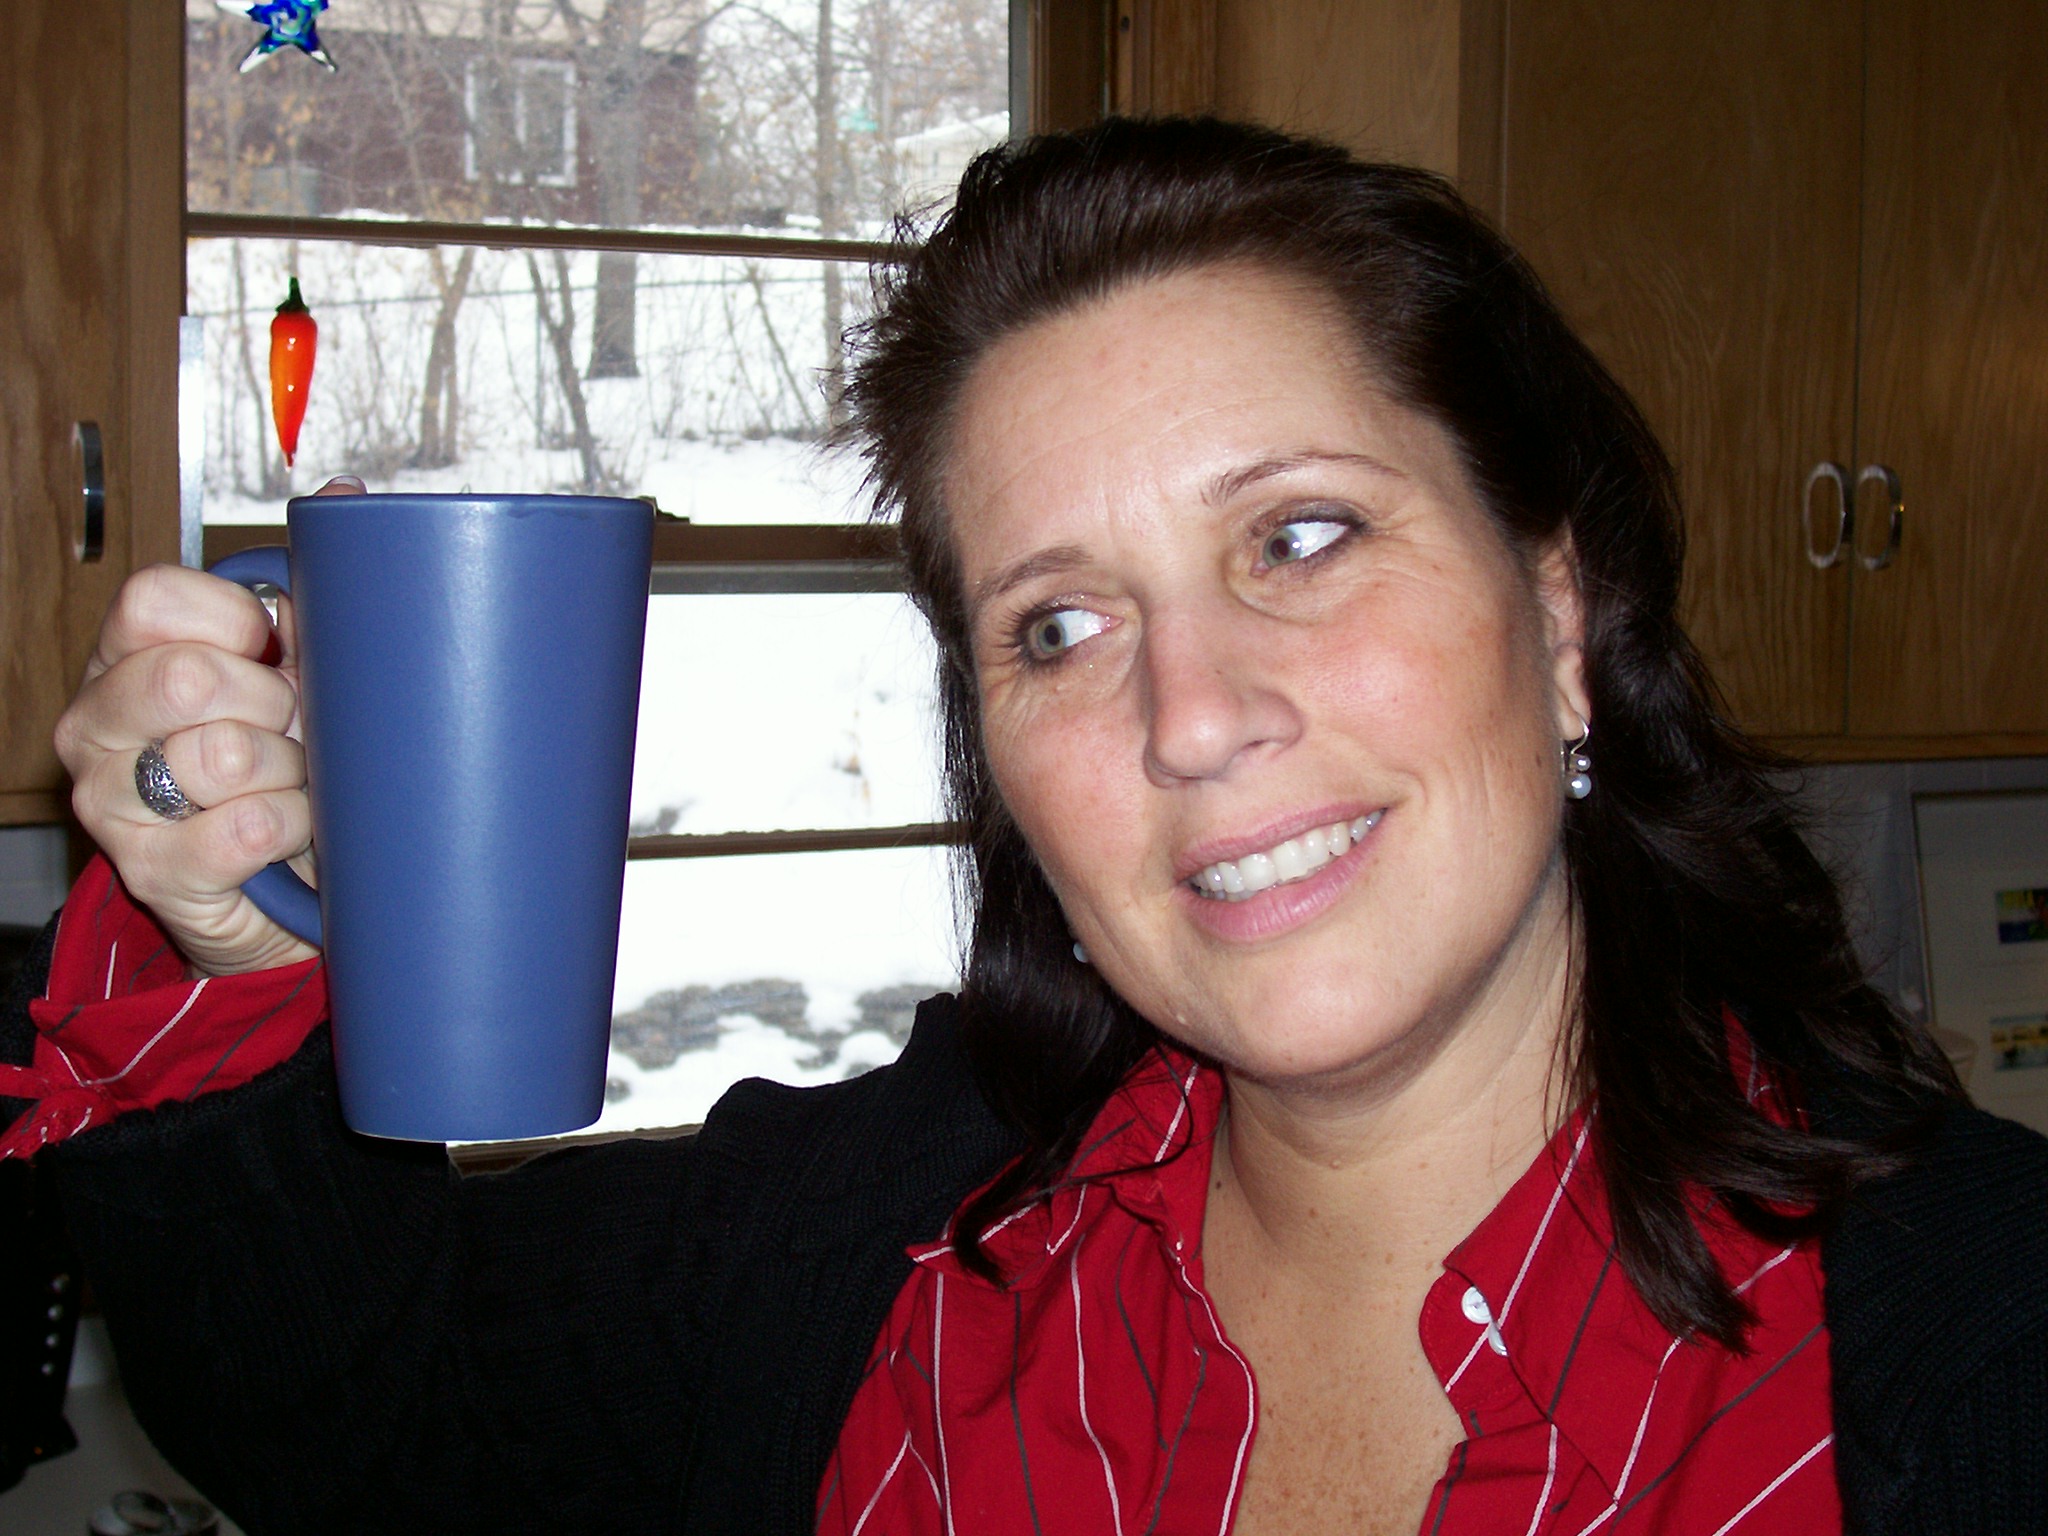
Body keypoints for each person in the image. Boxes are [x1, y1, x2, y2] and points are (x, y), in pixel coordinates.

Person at [3, 116, 2045, 1536]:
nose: (1193, 716)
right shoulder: (881, 1236)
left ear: (1562, 612)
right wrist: (234, 931)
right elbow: (366, 1430)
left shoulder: (1978, 1359)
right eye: (1058, 624)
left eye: (1301, 536)